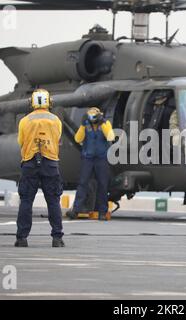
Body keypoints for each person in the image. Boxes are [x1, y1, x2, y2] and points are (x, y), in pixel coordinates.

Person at [15, 89, 65, 247]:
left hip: (30, 162)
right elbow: (57, 139)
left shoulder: (25, 120)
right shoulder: (55, 120)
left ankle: (22, 238)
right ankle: (57, 238)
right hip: (50, 163)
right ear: (49, 102)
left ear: (32, 103)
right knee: (53, 201)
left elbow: (20, 142)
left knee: (26, 201)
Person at [72, 107, 115, 220]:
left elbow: (111, 136)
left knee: (103, 185)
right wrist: (82, 125)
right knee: (82, 183)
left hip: (101, 159)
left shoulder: (105, 124)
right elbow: (78, 139)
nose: (93, 119)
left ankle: (102, 211)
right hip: (88, 158)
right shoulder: (85, 125)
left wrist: (104, 123)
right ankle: (76, 210)